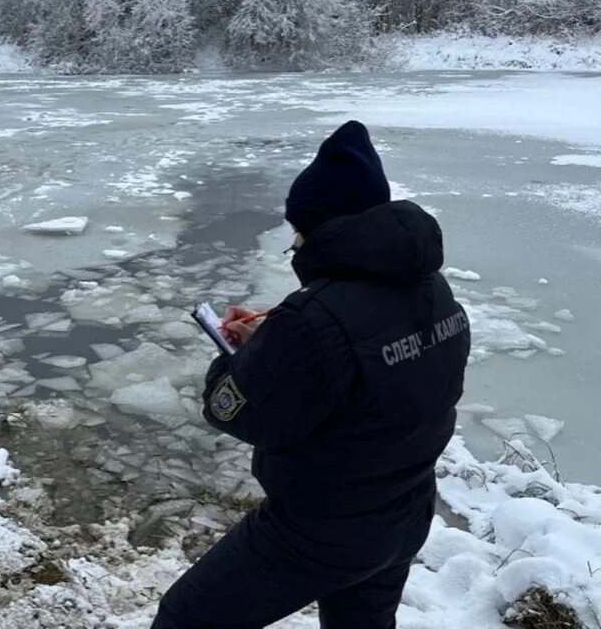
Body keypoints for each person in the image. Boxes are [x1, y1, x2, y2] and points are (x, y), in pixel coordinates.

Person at [152, 121, 471, 629]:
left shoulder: (315, 320)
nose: (295, 244)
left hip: (320, 531)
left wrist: (235, 359)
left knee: (186, 618)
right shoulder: (432, 289)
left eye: (298, 231)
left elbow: (235, 411)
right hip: (405, 513)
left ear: (321, 230)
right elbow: (368, 372)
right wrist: (274, 345)